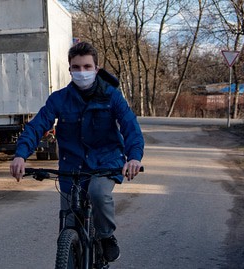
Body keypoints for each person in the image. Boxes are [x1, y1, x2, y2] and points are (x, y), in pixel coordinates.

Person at [10, 41, 144, 262]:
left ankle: (106, 236)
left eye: (87, 67)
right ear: (70, 70)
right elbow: (37, 126)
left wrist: (134, 158)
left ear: (96, 69)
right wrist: (20, 155)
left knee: (98, 194)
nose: (82, 72)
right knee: (69, 220)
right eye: (76, 67)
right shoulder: (59, 99)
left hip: (105, 163)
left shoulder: (111, 96)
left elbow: (131, 128)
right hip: (72, 166)